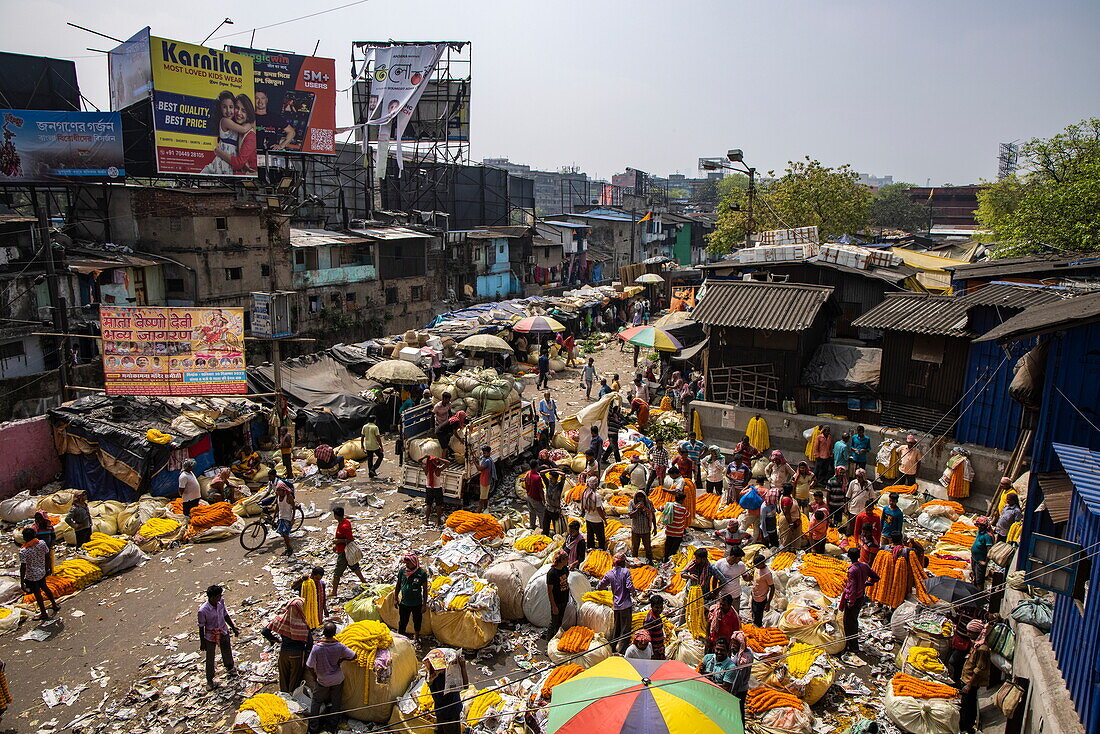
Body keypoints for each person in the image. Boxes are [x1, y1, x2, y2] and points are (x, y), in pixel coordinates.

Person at [306, 622, 356, 733]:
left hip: (322, 680)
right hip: (337, 679)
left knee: (316, 702)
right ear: (334, 634)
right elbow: (354, 655)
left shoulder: (317, 648)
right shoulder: (339, 646)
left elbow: (309, 666)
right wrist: (342, 660)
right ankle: (332, 725)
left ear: (323, 633)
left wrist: (315, 677)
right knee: (336, 702)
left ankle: (314, 727)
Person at [262, 598, 313, 693]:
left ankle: (284, 695)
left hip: (284, 653)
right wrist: (307, 655)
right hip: (297, 654)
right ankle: (291, 698)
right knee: (295, 678)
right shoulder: (302, 624)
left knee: (283, 677)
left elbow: (265, 631)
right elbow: (310, 644)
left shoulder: (280, 619)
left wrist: (275, 640)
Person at [839, 548, 880, 659]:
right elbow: (876, 577)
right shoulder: (865, 566)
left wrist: (850, 602)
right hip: (860, 596)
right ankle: (852, 644)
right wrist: (866, 583)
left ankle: (851, 645)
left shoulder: (852, 570)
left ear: (848, 556)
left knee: (849, 623)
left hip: (853, 599)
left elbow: (852, 587)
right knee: (853, 620)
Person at [198, 584, 239, 689]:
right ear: (212, 597)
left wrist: (233, 627)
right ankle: (210, 679)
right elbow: (201, 626)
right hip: (210, 635)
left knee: (226, 650)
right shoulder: (203, 610)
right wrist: (202, 642)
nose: (220, 598)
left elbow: (225, 614)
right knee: (210, 657)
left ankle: (230, 668)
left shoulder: (221, 603)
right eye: (218, 596)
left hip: (223, 630)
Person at [596, 553, 636, 654]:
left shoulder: (609, 574)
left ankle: (612, 648)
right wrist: (634, 592)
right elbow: (629, 585)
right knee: (626, 629)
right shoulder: (626, 572)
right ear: (622, 563)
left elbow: (600, 586)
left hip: (616, 606)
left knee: (617, 628)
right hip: (626, 605)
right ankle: (622, 651)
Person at [424, 647, 468, 734]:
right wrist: (463, 667)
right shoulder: (444, 680)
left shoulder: (431, 677)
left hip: (440, 711)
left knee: (440, 729)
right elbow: (465, 685)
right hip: (451, 714)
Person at [19, 526, 59, 620]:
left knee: (37, 594)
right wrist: (48, 568)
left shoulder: (24, 551)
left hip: (32, 576)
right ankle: (54, 604)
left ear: (24, 538)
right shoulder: (41, 543)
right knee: (45, 588)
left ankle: (43, 613)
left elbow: (23, 567)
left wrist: (22, 581)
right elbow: (47, 556)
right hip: (42, 571)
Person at [959, 622, 991, 733]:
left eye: (970, 632)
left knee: (968, 706)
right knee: (967, 704)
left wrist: (969, 685)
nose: (968, 634)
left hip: (971, 682)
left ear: (977, 633)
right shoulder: (976, 644)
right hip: (966, 678)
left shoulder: (982, 649)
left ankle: (967, 727)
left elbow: (979, 668)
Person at [331, 505, 367, 598]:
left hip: (344, 552)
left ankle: (334, 592)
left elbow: (350, 539)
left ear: (337, 515)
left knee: (337, 572)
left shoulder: (345, 525)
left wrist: (338, 542)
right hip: (341, 549)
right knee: (355, 566)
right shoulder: (343, 522)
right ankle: (365, 583)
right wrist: (336, 545)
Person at [395, 553, 429, 645]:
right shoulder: (402, 571)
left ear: (414, 562)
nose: (406, 565)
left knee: (417, 620)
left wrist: (424, 604)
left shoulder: (421, 573)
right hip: (404, 602)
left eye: (408, 563)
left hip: (416, 603)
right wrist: (395, 598)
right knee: (403, 621)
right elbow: (398, 584)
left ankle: (416, 637)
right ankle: (401, 637)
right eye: (405, 563)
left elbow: (425, 590)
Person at [727, 631, 754, 721]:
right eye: (733, 643)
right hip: (733, 686)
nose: (733, 645)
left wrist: (733, 691)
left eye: (736, 643)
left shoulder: (745, 657)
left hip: (740, 688)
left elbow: (739, 676)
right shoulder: (735, 652)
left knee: (739, 710)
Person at [545, 550, 571, 639]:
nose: (568, 560)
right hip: (557, 601)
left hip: (564, 598)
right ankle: (549, 640)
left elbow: (567, 577)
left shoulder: (564, 569)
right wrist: (554, 606)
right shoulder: (552, 573)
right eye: (566, 559)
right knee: (554, 622)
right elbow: (550, 591)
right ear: (561, 560)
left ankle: (555, 638)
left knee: (559, 621)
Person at [626, 490, 657, 563]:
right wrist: (638, 510)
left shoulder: (649, 503)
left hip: (646, 530)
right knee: (635, 548)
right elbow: (630, 515)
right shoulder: (631, 503)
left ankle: (650, 562)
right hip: (636, 530)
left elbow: (652, 515)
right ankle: (634, 562)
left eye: (642, 497)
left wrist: (655, 527)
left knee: (648, 548)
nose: (640, 499)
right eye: (638, 498)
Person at [661, 491, 690, 557]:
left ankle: (665, 558)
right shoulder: (683, 509)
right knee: (674, 548)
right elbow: (688, 514)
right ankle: (670, 559)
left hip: (669, 531)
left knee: (668, 545)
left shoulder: (669, 505)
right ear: (682, 500)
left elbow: (660, 508)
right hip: (678, 533)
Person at [580, 476, 607, 550]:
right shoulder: (596, 495)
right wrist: (604, 519)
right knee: (600, 536)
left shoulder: (585, 492)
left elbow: (582, 505)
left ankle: (590, 548)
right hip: (596, 519)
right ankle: (601, 549)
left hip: (588, 518)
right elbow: (599, 509)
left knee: (590, 535)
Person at [275, 473, 298, 556]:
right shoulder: (278, 497)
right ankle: (288, 548)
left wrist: (292, 519)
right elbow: (277, 506)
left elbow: (293, 508)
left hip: (288, 518)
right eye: (277, 490)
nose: (278, 492)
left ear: (283, 490)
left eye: (280, 490)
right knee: (284, 536)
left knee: (286, 535)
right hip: (281, 517)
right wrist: (275, 515)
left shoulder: (288, 497)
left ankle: (289, 549)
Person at [422, 453, 448, 526]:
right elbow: (448, 463)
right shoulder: (438, 470)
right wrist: (439, 459)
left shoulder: (426, 469)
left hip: (429, 488)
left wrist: (424, 457)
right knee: (438, 505)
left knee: (428, 505)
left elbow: (419, 461)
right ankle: (439, 521)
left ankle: (426, 520)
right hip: (437, 489)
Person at [541, 464, 566, 536]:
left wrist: (556, 471)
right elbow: (542, 473)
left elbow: (563, 475)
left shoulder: (559, 486)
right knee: (545, 526)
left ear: (556, 479)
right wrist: (551, 470)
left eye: (552, 478)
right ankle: (546, 535)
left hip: (555, 510)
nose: (550, 480)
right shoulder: (548, 483)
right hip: (548, 508)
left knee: (557, 528)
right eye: (550, 478)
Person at [522, 460, 547, 531]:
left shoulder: (528, 474)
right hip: (536, 498)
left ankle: (532, 525)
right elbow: (540, 490)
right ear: (537, 466)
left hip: (529, 496)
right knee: (541, 513)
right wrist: (543, 500)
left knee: (531, 511)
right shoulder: (537, 477)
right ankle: (543, 528)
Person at [750, 555, 774, 627]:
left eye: (757, 564)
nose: (755, 566)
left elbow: (772, 588)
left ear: (762, 563)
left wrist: (768, 603)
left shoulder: (767, 573)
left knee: (758, 617)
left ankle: (758, 630)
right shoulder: (757, 569)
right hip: (754, 596)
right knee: (754, 613)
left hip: (761, 599)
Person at [971, 517, 995, 588]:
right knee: (975, 576)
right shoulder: (979, 532)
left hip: (980, 561)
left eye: (982, 525)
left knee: (979, 580)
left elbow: (989, 551)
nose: (980, 527)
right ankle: (974, 592)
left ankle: (979, 595)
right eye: (978, 525)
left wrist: (985, 562)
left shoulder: (987, 536)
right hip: (974, 558)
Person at [779, 484, 803, 550]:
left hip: (793, 520)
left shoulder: (789, 497)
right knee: (786, 539)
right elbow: (786, 512)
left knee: (793, 537)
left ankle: (792, 551)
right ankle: (784, 552)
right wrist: (790, 523)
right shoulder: (786, 500)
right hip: (788, 521)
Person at [826, 465, 849, 532]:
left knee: (838, 521)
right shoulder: (831, 480)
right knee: (830, 520)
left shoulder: (845, 482)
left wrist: (845, 505)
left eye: (843, 473)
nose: (841, 474)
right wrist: (827, 504)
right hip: (832, 504)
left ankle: (836, 532)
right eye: (840, 472)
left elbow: (845, 495)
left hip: (840, 505)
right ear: (837, 472)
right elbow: (828, 493)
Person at [477, 446, 496, 513]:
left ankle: (478, 513)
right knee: (485, 497)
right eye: (483, 453)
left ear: (489, 453)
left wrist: (474, 462)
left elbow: (479, 468)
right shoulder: (487, 459)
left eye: (485, 453)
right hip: (485, 480)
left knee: (482, 499)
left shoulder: (487, 461)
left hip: (485, 481)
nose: (484, 454)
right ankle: (485, 509)